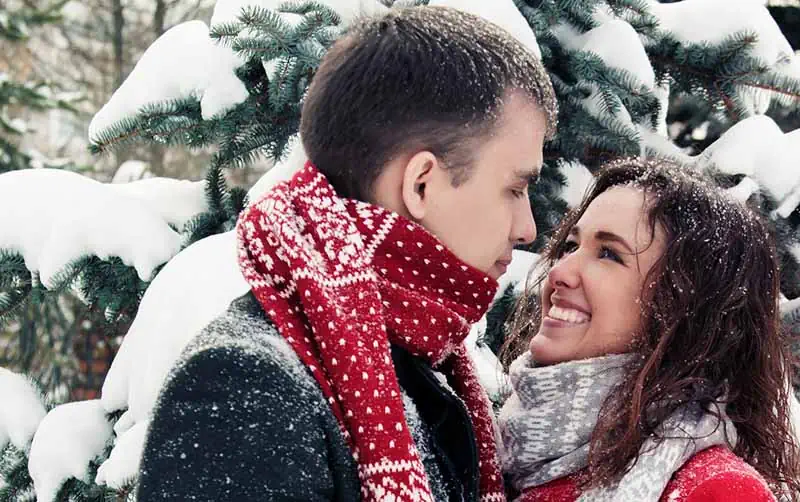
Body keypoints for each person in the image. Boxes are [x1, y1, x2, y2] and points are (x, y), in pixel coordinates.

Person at [136, 6, 557, 502]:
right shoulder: (245, 392)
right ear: (421, 185)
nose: (528, 228)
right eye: (515, 188)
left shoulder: (428, 373)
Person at [497, 158, 800, 502]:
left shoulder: (715, 490)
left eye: (608, 254)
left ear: (682, 307)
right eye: (571, 245)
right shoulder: (501, 452)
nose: (560, 271)